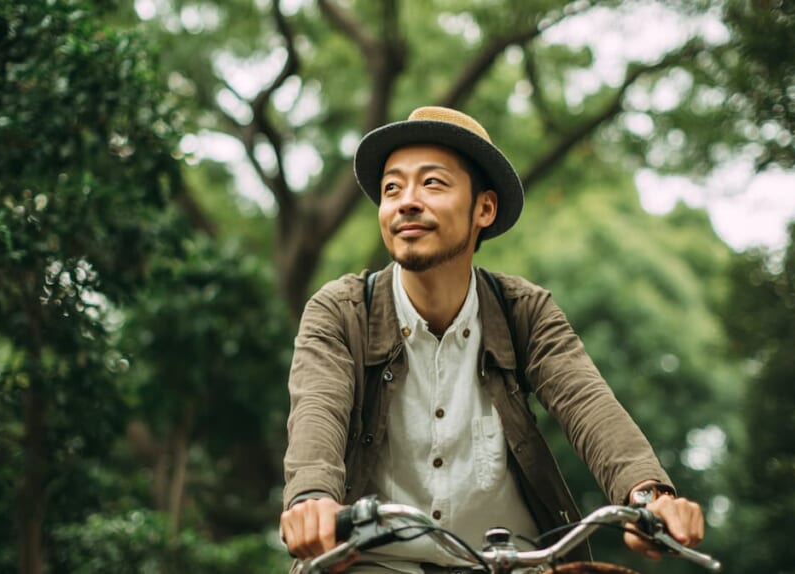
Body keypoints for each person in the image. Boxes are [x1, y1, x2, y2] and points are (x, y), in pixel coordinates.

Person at [280, 106, 704, 573]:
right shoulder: (341, 311)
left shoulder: (524, 311)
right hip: (375, 563)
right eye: (391, 188)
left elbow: (588, 402)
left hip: (509, 564)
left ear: (484, 207)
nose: (406, 201)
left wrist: (649, 497)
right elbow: (317, 410)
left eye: (433, 183)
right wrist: (313, 499)